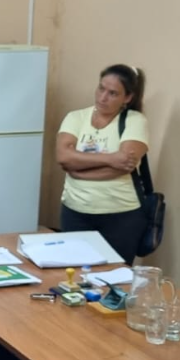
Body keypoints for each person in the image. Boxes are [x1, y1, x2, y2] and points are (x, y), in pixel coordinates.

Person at [55, 64, 150, 264]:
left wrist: (78, 169)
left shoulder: (134, 121)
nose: (102, 97)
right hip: (75, 212)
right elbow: (64, 157)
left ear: (127, 98)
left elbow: (124, 165)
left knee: (115, 276)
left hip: (121, 215)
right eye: (101, 88)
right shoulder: (76, 117)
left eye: (112, 93)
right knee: (74, 274)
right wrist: (110, 159)